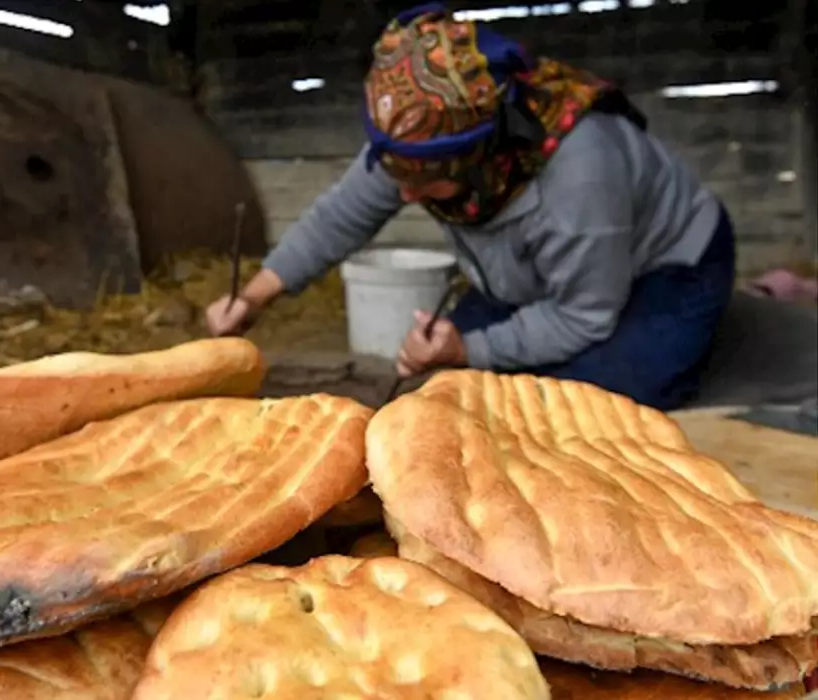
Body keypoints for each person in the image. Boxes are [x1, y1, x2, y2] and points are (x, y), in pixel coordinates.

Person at [204, 3, 736, 411]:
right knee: (455, 388)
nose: (406, 196)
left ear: (480, 156)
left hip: (670, 262)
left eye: (425, 184)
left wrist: (468, 348)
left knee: (602, 396)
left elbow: (583, 316)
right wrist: (254, 296)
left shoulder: (578, 172)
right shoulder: (417, 138)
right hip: (543, 273)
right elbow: (340, 216)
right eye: (398, 178)